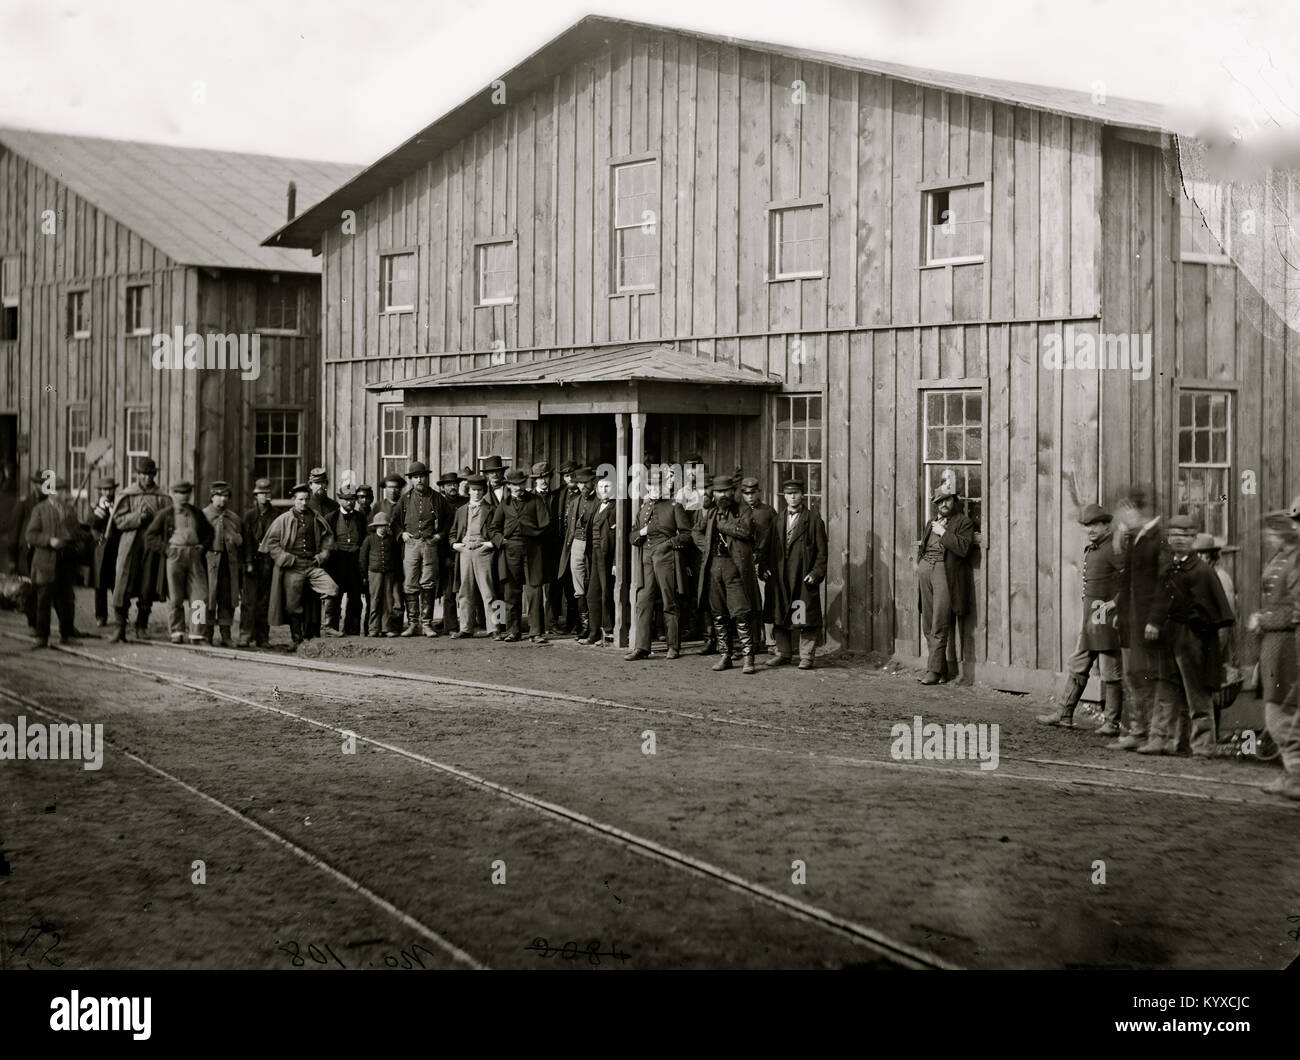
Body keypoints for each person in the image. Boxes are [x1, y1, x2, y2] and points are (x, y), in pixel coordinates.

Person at [1139, 513, 1235, 757]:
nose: (1179, 540)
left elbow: (1219, 613)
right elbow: (1160, 600)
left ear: (1193, 539)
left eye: (1185, 535)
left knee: (1197, 693)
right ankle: (1161, 739)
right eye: (1174, 535)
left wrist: (1198, 631)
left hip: (1193, 639)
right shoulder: (1168, 568)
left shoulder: (1203, 572)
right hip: (1168, 638)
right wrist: (1153, 622)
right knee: (1165, 689)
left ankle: (1203, 745)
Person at [1038, 504, 1126, 729]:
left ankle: (1111, 723)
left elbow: (1130, 583)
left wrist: (1114, 607)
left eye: (1095, 525)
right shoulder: (1094, 548)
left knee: (1110, 670)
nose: (1091, 530)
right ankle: (1064, 713)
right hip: (1092, 619)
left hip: (1107, 619)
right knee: (1078, 663)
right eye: (1088, 526)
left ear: (1106, 525)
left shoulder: (1114, 548)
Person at [1250, 502, 1300, 799]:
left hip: (1287, 644)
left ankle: (1295, 775)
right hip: (1275, 644)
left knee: (1281, 712)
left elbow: (1295, 609)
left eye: (1273, 532)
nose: (1269, 537)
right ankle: (1292, 773)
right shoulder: (1283, 558)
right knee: (1277, 710)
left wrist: (1264, 619)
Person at [1109, 485, 1164, 751]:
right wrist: (1121, 614)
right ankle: (1137, 731)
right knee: (1132, 674)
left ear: (1135, 509)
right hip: (1132, 620)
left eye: (1124, 513)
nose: (1121, 520)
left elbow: (1164, 584)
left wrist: (1155, 620)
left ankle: (1154, 734)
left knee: (1148, 676)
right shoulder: (1136, 537)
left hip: (1149, 623)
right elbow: (1126, 580)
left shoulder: (1158, 538)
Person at [260, 483, 343, 650]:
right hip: (293, 567)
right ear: (294, 500)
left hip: (312, 565)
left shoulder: (316, 517)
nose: (304, 503)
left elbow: (328, 540)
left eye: (306, 499)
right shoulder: (284, 519)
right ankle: (297, 639)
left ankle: (326, 627)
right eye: (300, 500)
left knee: (332, 589)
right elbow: (271, 543)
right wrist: (287, 558)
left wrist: (321, 556)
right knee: (292, 605)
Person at [694, 473, 761, 673]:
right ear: (713, 493)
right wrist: (705, 546)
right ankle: (725, 656)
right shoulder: (712, 513)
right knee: (719, 615)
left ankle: (749, 658)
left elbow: (747, 531)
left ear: (733, 492)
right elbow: (695, 531)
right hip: (714, 567)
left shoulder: (744, 511)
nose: (722, 495)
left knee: (740, 613)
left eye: (725, 491)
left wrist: (722, 526)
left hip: (735, 569)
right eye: (718, 492)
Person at [625, 472, 692, 661]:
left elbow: (687, 535)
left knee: (669, 601)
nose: (655, 490)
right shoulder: (644, 508)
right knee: (643, 601)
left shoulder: (674, 507)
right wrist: (643, 531)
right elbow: (632, 537)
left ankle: (673, 646)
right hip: (646, 559)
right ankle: (642, 647)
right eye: (651, 486)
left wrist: (668, 544)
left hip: (666, 559)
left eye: (658, 486)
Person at [915, 479, 975, 685]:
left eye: (947, 500)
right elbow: (922, 547)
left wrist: (944, 533)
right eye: (939, 501)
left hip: (944, 571)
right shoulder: (930, 523)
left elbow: (963, 549)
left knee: (940, 622)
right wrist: (920, 563)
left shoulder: (963, 522)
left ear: (954, 500)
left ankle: (933, 671)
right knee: (927, 621)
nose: (944, 504)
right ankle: (938, 669)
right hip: (926, 570)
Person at [767, 479, 829, 671]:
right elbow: (768, 548)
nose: (792, 497)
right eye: (788, 494)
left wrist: (816, 573)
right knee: (780, 614)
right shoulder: (777, 520)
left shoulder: (813, 520)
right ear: (784, 496)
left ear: (802, 495)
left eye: (796, 493)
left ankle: (806, 657)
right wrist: (765, 567)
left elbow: (822, 551)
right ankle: (784, 653)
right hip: (780, 576)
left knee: (804, 617)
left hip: (802, 577)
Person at [144, 482, 214, 645]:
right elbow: (150, 535)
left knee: (200, 596)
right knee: (175, 597)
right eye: (179, 493)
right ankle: (177, 631)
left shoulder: (196, 513)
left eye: (186, 493)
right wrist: (166, 549)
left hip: (194, 556)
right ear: (173, 494)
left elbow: (210, 532)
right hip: (175, 555)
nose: (183, 497)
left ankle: (197, 634)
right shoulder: (165, 514)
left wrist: (203, 546)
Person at [25, 476, 90, 648]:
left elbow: (77, 534)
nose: (63, 493)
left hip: (65, 562)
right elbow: (30, 535)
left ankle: (66, 634)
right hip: (45, 563)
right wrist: (49, 540)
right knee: (43, 601)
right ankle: (41, 637)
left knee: (66, 600)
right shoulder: (40, 510)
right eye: (59, 490)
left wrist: (86, 537)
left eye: (63, 490)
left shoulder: (69, 511)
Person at [109, 457, 168, 642]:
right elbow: (118, 521)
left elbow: (169, 521)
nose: (147, 478)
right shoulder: (128, 495)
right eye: (143, 474)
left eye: (150, 474)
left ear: (155, 474)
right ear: (137, 475)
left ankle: (141, 626)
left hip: (151, 546)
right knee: (123, 583)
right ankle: (120, 627)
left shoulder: (162, 497)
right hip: (130, 545)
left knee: (147, 583)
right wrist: (138, 517)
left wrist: (156, 519)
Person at [490, 468, 551, 642]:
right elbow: (493, 528)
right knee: (511, 591)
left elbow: (545, 525)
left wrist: (530, 533)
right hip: (510, 551)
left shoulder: (536, 500)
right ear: (508, 486)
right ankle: (513, 631)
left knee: (534, 590)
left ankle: (536, 632)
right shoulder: (505, 504)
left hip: (532, 550)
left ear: (525, 484)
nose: (517, 487)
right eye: (514, 485)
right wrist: (501, 541)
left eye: (520, 484)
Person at [392, 460, 448, 637]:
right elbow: (394, 522)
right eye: (416, 477)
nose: (419, 480)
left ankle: (426, 624)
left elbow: (449, 520)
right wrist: (402, 534)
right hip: (411, 545)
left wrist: (440, 536)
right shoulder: (404, 499)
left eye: (422, 476)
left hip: (430, 545)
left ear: (427, 477)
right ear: (411, 480)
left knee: (428, 583)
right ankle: (412, 624)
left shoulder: (438, 498)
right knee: (410, 583)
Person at [452, 474, 497, 638]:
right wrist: (455, 545)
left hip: (483, 551)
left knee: (489, 591)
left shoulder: (491, 510)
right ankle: (465, 628)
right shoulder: (461, 510)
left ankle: (495, 628)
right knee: (465, 591)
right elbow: (453, 533)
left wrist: (489, 544)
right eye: (473, 490)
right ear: (468, 491)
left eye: (479, 490)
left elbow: (497, 531)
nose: (477, 493)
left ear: (484, 491)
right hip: (465, 552)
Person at [202, 481, 244, 646]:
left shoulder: (234, 518)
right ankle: (207, 634)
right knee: (209, 598)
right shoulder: (203, 516)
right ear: (212, 497)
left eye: (226, 496)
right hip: (208, 564)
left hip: (228, 564)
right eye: (219, 495)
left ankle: (226, 635)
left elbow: (241, 543)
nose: (222, 499)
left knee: (227, 599)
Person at [740, 477, 778, 654]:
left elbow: (775, 541)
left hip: (763, 562)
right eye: (746, 494)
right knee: (747, 602)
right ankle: (752, 641)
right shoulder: (739, 512)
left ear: (759, 492)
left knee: (766, 602)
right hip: (743, 562)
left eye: (753, 493)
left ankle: (770, 641)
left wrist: (768, 563)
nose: (750, 497)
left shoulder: (768, 512)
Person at [238, 477, 277, 648]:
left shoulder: (276, 515)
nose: (264, 496)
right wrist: (248, 562)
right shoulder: (249, 516)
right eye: (261, 493)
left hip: (269, 562)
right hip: (252, 562)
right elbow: (246, 541)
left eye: (267, 493)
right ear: (256, 495)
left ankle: (262, 636)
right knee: (249, 601)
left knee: (265, 601)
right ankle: (245, 634)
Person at [562, 467, 598, 641]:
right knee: (578, 586)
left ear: (593, 482)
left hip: (593, 546)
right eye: (580, 483)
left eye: (586, 482)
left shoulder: (598, 501)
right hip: (576, 544)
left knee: (593, 584)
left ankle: (594, 627)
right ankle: (584, 626)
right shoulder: (575, 501)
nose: (583, 486)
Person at [326, 484, 366, 636]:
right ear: (340, 499)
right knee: (335, 596)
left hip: (355, 562)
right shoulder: (331, 517)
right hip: (338, 562)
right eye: (346, 499)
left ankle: (352, 629)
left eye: (352, 499)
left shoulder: (361, 517)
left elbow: (364, 540)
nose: (350, 502)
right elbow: (327, 541)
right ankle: (333, 628)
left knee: (355, 597)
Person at [583, 474, 618, 646]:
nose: (603, 490)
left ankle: (609, 631)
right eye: (601, 487)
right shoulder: (597, 506)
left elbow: (619, 539)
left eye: (607, 487)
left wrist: (615, 563)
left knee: (607, 594)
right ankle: (594, 631)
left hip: (608, 555)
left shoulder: (617, 508)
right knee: (592, 595)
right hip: (595, 554)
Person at [531, 462, 564, 634]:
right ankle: (536, 624)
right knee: (535, 584)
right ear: (534, 481)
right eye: (539, 478)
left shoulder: (556, 497)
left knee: (553, 585)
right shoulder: (530, 498)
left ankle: (552, 622)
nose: (543, 481)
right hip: (536, 547)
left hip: (553, 547)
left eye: (546, 477)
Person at [374, 473, 407, 633]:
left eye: (396, 488)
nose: (393, 491)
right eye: (390, 488)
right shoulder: (378, 506)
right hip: (384, 554)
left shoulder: (405, 504)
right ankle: (380, 625)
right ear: (384, 489)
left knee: (399, 590)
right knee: (384, 592)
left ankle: (397, 624)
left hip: (402, 553)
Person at [360, 511, 402, 637]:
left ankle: (386, 628)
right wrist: (364, 575)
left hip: (389, 573)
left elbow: (397, 558)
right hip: (374, 573)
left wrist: (397, 574)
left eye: (385, 525)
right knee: (375, 600)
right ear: (375, 527)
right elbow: (363, 558)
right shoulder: (369, 539)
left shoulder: (391, 540)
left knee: (388, 601)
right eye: (380, 526)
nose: (383, 528)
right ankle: (373, 628)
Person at [12, 472, 43, 633]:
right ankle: (32, 624)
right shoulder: (24, 504)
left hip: (40, 553)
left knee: (40, 588)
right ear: (34, 485)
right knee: (29, 589)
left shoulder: (47, 503)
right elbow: (15, 532)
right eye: (39, 483)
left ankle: (39, 624)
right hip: (25, 553)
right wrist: (12, 559)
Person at [436, 470, 467, 634]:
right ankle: (451, 626)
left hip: (465, 550)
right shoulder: (439, 504)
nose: (453, 487)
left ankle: (472, 623)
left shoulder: (465, 502)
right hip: (446, 552)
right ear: (443, 488)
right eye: (449, 485)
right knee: (448, 592)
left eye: (455, 484)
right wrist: (445, 556)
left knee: (467, 589)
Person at [89, 476, 119, 627]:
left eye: (110, 489)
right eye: (104, 489)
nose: (107, 492)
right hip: (101, 549)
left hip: (116, 548)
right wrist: (100, 510)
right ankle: (101, 616)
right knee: (100, 584)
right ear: (100, 491)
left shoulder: (118, 505)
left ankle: (120, 615)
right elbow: (92, 524)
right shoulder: (95, 506)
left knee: (117, 583)